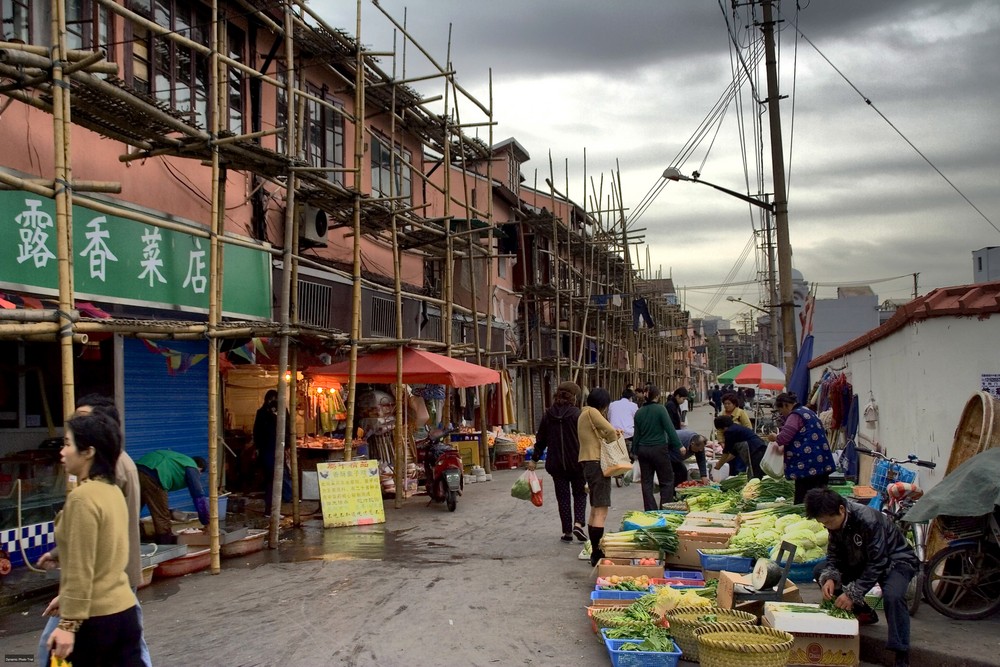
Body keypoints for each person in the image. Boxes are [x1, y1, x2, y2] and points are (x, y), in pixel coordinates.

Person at [37, 396, 152, 667]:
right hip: (123, 612)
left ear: (88, 451)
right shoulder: (110, 490)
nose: (62, 452)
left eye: (67, 444)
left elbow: (82, 567)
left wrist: (68, 624)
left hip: (96, 619)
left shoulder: (83, 498)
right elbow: (105, 556)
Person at [806, 488, 917, 667]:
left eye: (829, 521)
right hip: (862, 560)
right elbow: (834, 555)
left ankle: (901, 653)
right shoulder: (834, 524)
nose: (828, 526)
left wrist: (852, 594)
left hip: (896, 561)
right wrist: (830, 578)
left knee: (893, 596)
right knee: (821, 571)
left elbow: (878, 561)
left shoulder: (869, 520)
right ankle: (864, 612)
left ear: (842, 510)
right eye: (823, 523)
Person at [527, 381, 587, 543]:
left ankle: (567, 532)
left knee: (563, 497)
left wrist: (534, 459)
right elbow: (586, 439)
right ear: (573, 396)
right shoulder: (577, 414)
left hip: (556, 464)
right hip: (577, 463)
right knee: (580, 494)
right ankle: (578, 524)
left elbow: (541, 440)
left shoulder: (548, 414)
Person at [767, 391, 835, 503]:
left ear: (786, 405)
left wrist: (774, 437)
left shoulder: (795, 415)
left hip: (807, 466)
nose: (782, 414)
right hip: (820, 462)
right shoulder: (807, 411)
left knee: (805, 499)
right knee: (820, 498)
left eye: (781, 410)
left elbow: (784, 438)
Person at [577, 387, 618, 566]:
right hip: (597, 463)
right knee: (601, 509)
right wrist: (613, 440)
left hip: (587, 463)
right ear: (603, 404)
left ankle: (594, 550)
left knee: (594, 509)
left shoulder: (583, 414)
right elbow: (609, 431)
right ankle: (596, 553)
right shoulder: (593, 412)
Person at [136, 450, 209, 544]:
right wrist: (206, 521)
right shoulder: (192, 467)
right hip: (154, 475)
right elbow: (198, 496)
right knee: (161, 516)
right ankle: (165, 546)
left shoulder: (180, 460)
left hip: (136, 470)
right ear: (199, 469)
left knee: (133, 511)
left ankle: (133, 541)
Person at [632, 385, 683, 511]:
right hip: (659, 449)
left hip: (643, 450)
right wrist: (679, 446)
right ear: (657, 396)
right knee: (667, 481)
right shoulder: (661, 409)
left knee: (647, 482)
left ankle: (650, 511)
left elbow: (636, 435)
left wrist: (633, 452)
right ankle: (665, 509)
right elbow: (670, 429)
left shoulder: (639, 412)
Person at [253, 389, 293, 515]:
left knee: (282, 476)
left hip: (279, 448)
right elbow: (257, 432)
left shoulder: (283, 411)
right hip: (268, 451)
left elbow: (288, 428)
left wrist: (287, 445)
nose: (272, 402)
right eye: (270, 400)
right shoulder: (262, 413)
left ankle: (283, 501)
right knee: (271, 479)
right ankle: (270, 509)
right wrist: (258, 448)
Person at [713, 415, 767, 479]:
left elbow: (726, 452)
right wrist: (723, 462)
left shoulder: (729, 432)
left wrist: (719, 465)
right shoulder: (735, 428)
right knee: (758, 472)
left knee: (755, 474)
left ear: (721, 427)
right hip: (760, 447)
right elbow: (733, 453)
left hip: (755, 449)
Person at [607, 388, 639, 460]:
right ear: (631, 398)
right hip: (628, 435)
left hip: (614, 435)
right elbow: (637, 419)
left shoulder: (612, 404)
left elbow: (609, 418)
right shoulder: (633, 405)